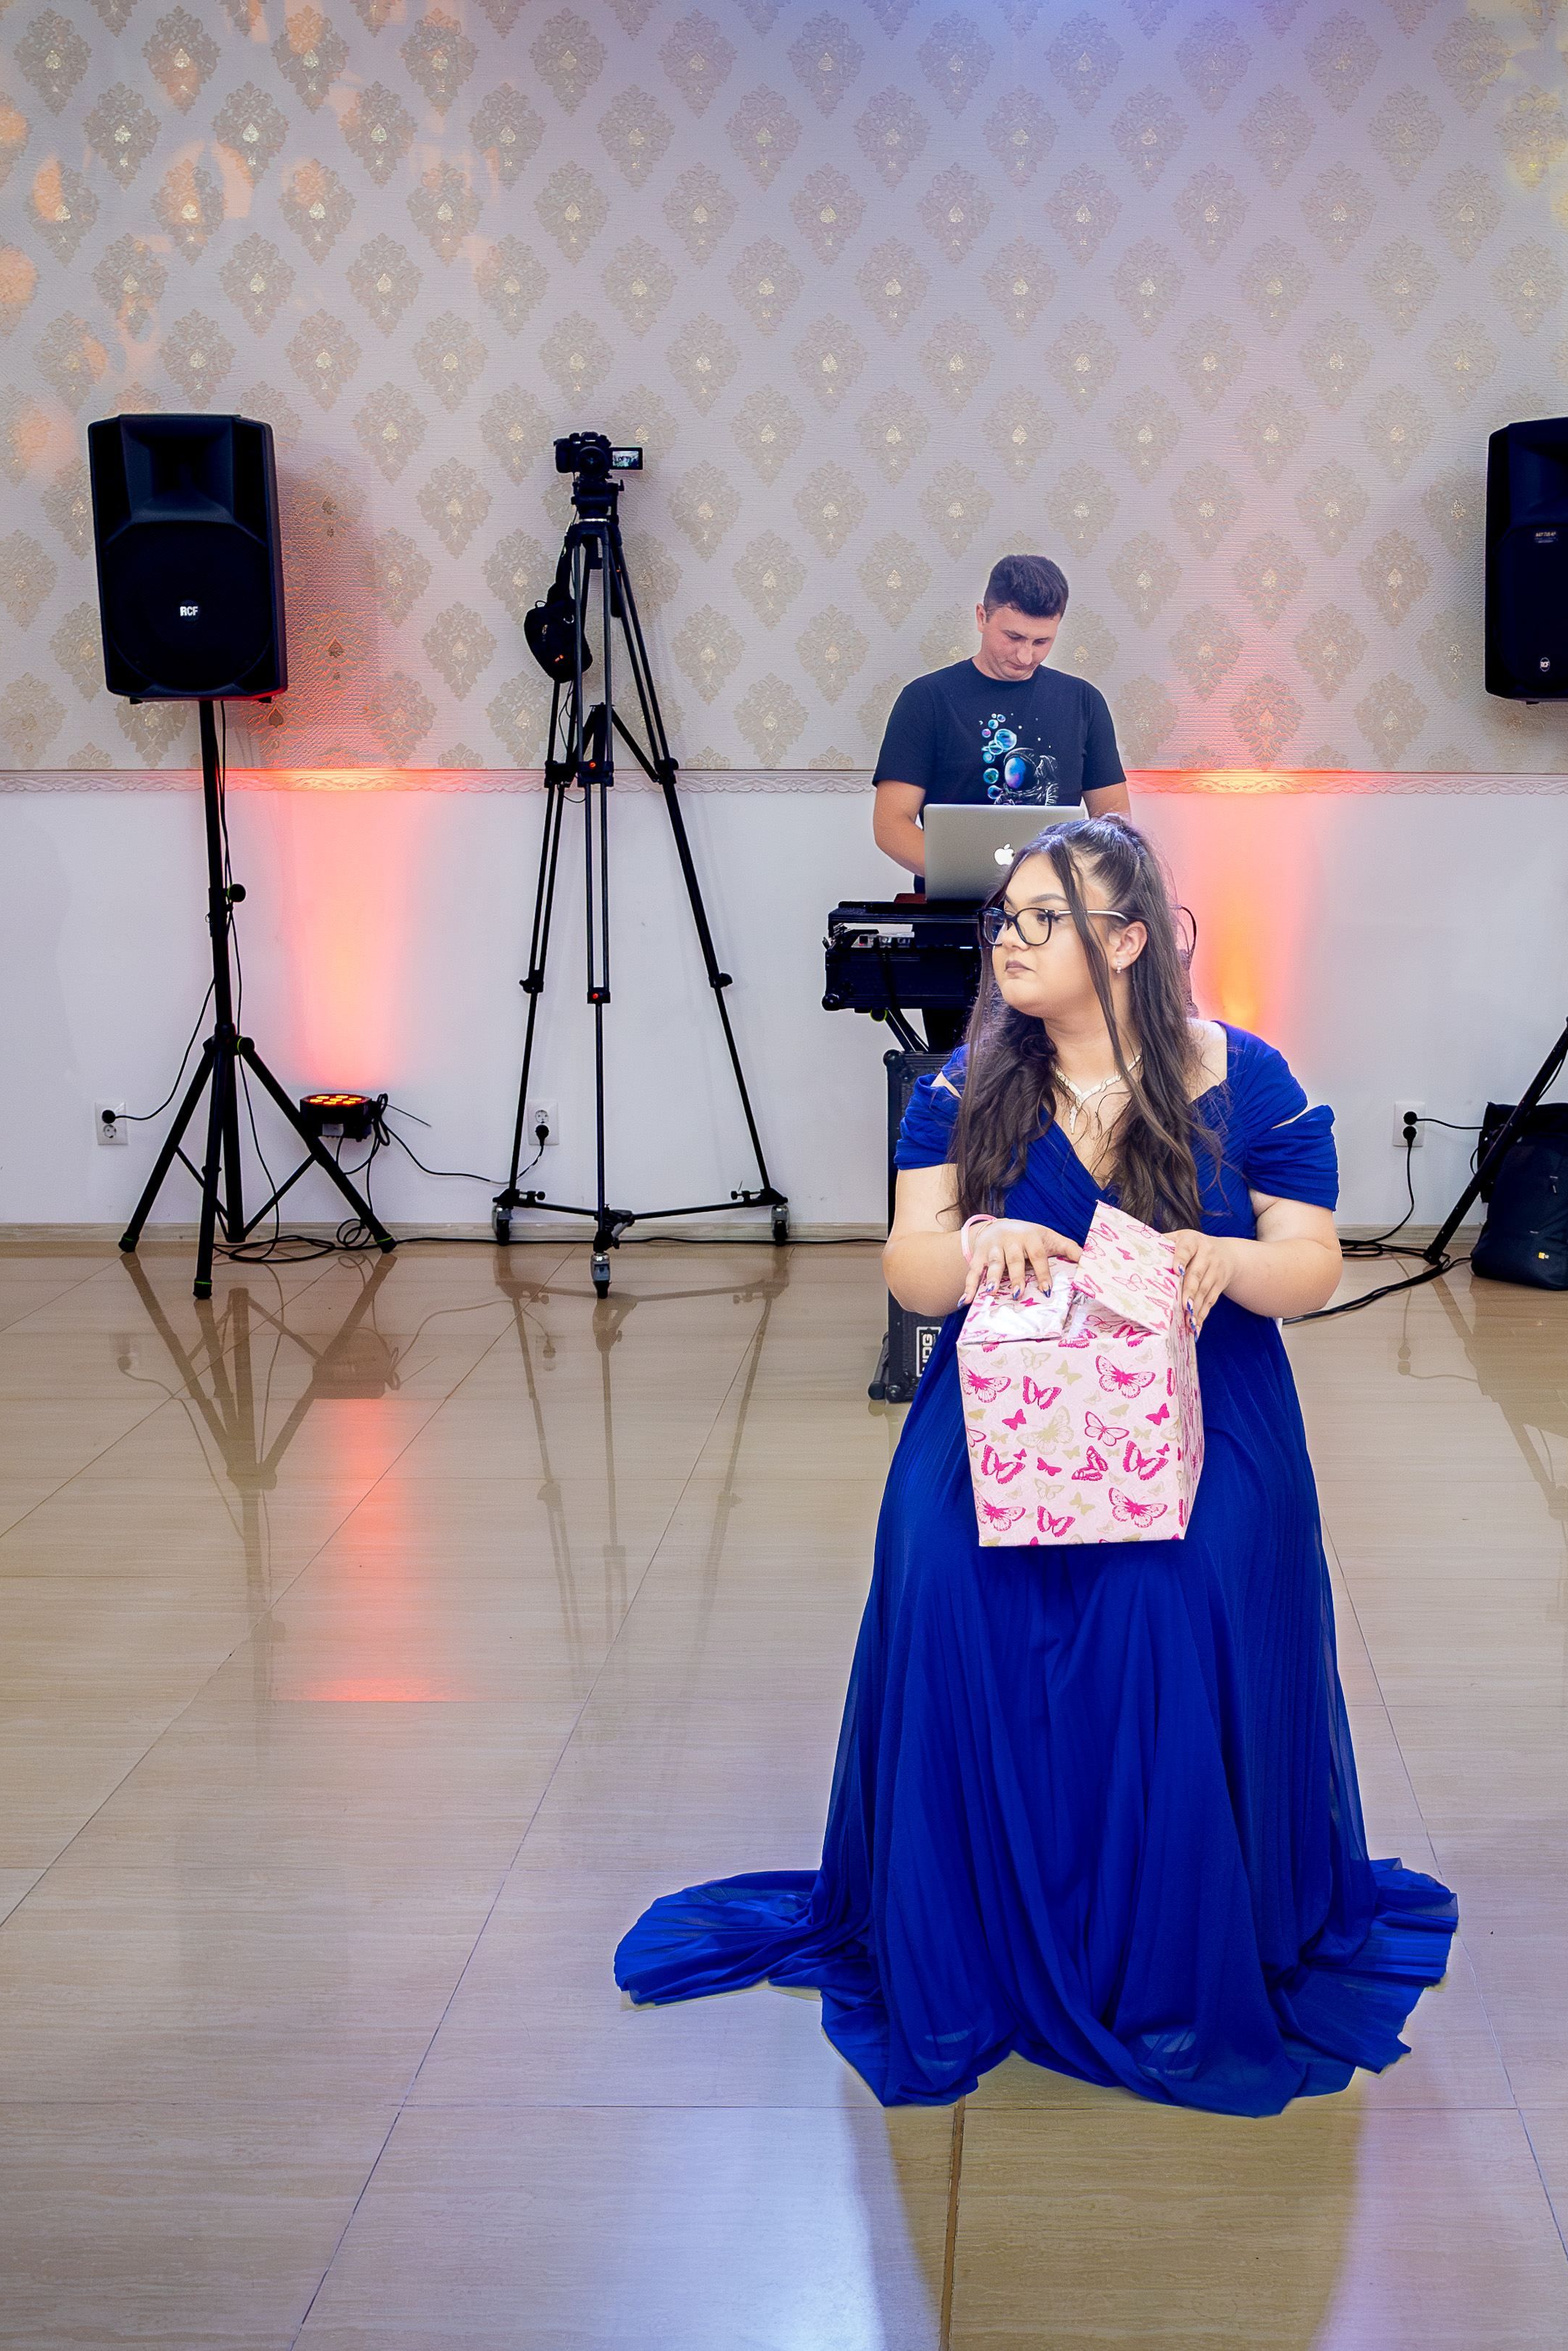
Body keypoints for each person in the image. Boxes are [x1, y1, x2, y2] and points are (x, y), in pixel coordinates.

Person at [618, 815, 1453, 2112]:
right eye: (1003, 917)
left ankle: (1159, 1935)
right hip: (1005, 1405)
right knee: (945, 1564)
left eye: (1041, 919)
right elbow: (910, 1268)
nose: (1006, 940)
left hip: (1205, 1404)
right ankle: (987, 1917)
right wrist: (972, 1247)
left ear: (1126, 941)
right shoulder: (962, 1086)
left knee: (1169, 1589)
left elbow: (1313, 1261)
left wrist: (1230, 1259)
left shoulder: (1246, 1076)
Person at [869, 554, 1134, 885]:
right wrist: (981, 879)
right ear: (982, 617)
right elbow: (891, 826)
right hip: (953, 908)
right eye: (1013, 637)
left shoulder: (1085, 701)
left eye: (1041, 641)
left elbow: (1113, 826)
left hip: (1056, 906)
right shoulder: (925, 699)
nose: (1026, 656)